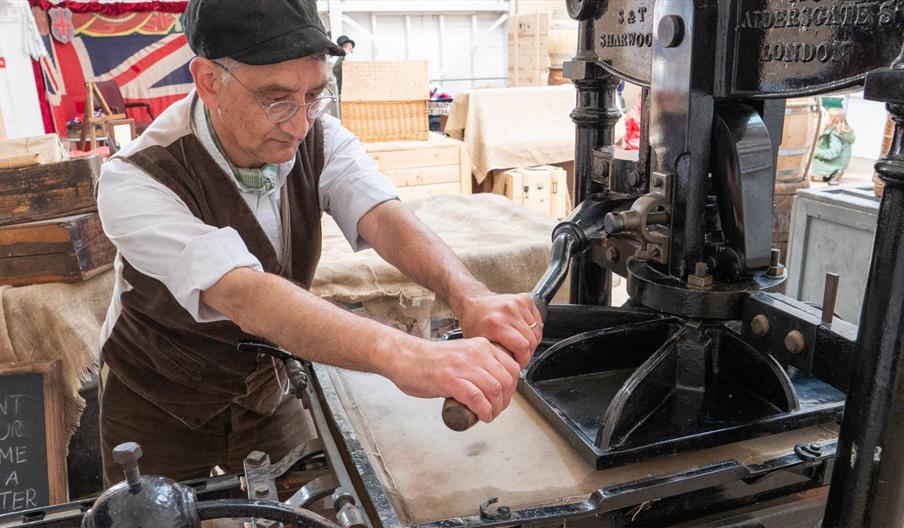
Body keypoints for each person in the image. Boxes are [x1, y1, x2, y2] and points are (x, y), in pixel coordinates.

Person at [96, 0, 542, 486]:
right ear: (208, 81)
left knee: (318, 506)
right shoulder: (136, 178)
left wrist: (469, 295)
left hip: (265, 389)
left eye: (314, 96)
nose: (299, 123)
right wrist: (407, 355)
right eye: (276, 99)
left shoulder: (320, 137)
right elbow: (245, 293)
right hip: (158, 400)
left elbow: (385, 216)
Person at [811, 101, 856, 184]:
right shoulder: (840, 132)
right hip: (840, 161)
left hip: (837, 162)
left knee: (812, 164)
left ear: (832, 119)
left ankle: (834, 172)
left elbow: (833, 152)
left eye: (826, 116)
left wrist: (816, 152)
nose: (824, 118)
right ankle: (833, 173)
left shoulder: (835, 134)